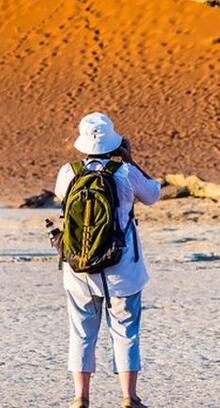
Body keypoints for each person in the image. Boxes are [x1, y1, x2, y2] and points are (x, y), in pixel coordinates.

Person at [55, 112, 161, 408]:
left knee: (81, 332)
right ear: (113, 142)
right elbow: (153, 194)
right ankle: (129, 397)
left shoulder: (69, 172)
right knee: (125, 330)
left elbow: (60, 198)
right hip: (122, 269)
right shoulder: (124, 173)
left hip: (78, 269)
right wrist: (130, 159)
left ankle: (81, 397)